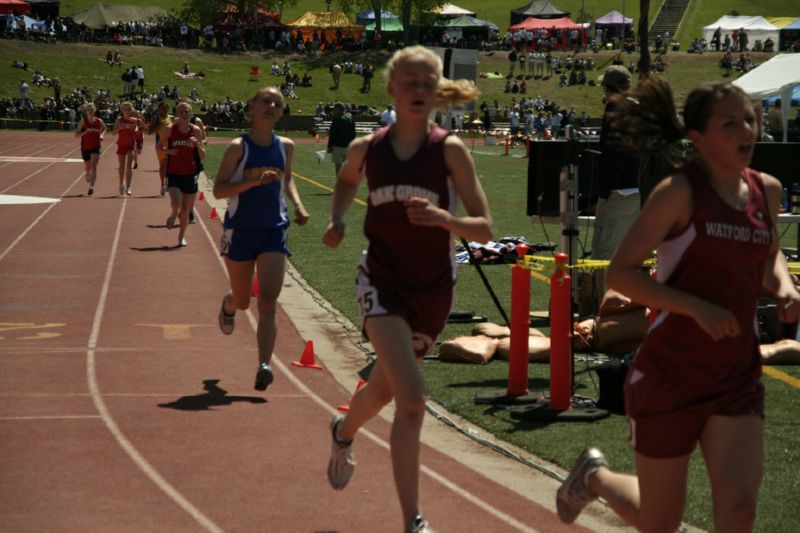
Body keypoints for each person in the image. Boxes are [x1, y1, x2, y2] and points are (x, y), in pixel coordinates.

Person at [556, 80, 800, 531]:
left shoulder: (766, 190)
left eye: (749, 119)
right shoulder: (678, 194)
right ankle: (596, 477)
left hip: (736, 374)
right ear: (698, 138)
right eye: (730, 122)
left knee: (739, 510)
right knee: (659, 519)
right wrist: (697, 308)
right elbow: (622, 274)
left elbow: (769, 256)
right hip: (671, 373)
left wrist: (784, 285)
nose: (746, 130)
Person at [321, 45, 492, 533]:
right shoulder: (367, 149)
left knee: (385, 389)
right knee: (412, 401)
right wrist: (336, 219)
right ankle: (412, 521)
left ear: (437, 93)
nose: (418, 91)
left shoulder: (450, 151)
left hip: (433, 292)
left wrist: (445, 218)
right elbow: (345, 182)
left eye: (427, 84)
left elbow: (484, 228)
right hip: (382, 283)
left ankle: (343, 430)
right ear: (392, 89)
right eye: (410, 83)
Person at [212, 87, 309, 391]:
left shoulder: (286, 147)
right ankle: (228, 305)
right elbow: (219, 190)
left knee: (267, 301)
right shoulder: (238, 147)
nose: (270, 106)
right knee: (243, 301)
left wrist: (298, 204)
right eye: (265, 101)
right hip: (240, 230)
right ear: (252, 107)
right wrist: (254, 181)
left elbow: (288, 178)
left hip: (273, 230)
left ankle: (264, 365)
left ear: (281, 113)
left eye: (277, 104)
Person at [585, 65, 641, 312]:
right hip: (637, 191)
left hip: (618, 192)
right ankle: (626, 311)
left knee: (604, 255)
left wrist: (602, 195)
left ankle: (605, 311)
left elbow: (613, 156)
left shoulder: (615, 110)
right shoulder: (639, 110)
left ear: (607, 88)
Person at [159, 101, 205, 247]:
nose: (184, 114)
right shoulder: (170, 129)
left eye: (187, 112)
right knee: (176, 203)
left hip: (190, 173)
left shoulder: (196, 130)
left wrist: (197, 144)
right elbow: (158, 146)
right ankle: (173, 214)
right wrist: (168, 151)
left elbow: (203, 156)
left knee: (185, 211)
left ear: (191, 114)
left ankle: (181, 237)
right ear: (177, 114)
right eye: (181, 112)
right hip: (174, 172)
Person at [75, 103, 106, 196]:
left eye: (92, 110)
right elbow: (76, 135)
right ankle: (87, 173)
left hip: (96, 146)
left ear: (94, 110)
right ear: (86, 112)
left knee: (94, 166)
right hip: (85, 147)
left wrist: (102, 134)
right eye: (89, 110)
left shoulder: (99, 121)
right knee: (88, 167)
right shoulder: (83, 122)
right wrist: (85, 132)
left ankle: (91, 187)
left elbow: (104, 128)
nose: (90, 112)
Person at [112, 101, 138, 196]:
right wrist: (119, 128)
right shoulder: (119, 119)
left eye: (129, 109)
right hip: (121, 145)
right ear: (122, 110)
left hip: (130, 145)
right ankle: (121, 184)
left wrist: (135, 129)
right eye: (125, 109)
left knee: (129, 167)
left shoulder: (134, 120)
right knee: (121, 167)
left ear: (131, 110)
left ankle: (128, 187)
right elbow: (113, 133)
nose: (127, 111)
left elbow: (137, 130)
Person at [148, 101, 173, 196]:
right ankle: (163, 184)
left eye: (166, 108)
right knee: (163, 165)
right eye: (162, 108)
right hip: (160, 144)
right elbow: (149, 131)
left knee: (169, 165)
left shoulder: (171, 118)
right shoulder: (156, 118)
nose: (164, 110)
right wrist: (157, 126)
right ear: (158, 109)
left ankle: (167, 181)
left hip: (171, 144)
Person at [327, 102, 356, 175]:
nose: (333, 111)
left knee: (338, 166)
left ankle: (339, 184)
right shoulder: (350, 118)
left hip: (338, 146)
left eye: (334, 109)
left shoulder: (337, 119)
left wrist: (329, 146)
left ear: (338, 109)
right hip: (349, 146)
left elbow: (333, 134)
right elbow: (353, 133)